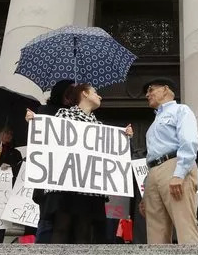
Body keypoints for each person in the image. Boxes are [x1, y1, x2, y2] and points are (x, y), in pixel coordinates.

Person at [29, 82, 133, 244]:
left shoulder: (98, 126)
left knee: (83, 232)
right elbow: (49, 141)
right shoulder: (63, 115)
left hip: (89, 190)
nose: (99, 96)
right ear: (84, 94)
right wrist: (35, 122)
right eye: (95, 92)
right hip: (65, 187)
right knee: (61, 228)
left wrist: (123, 137)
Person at [141, 77, 198, 245]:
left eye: (151, 89)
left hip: (174, 165)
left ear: (165, 89)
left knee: (184, 225)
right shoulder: (154, 123)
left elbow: (189, 141)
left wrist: (180, 173)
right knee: (155, 232)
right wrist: (146, 190)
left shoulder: (181, 110)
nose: (147, 94)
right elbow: (151, 156)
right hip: (153, 172)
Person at [23, 79, 74, 242]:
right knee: (47, 221)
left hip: (70, 181)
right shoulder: (44, 112)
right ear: (60, 93)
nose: (71, 96)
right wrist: (33, 121)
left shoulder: (77, 114)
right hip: (48, 180)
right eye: (68, 92)